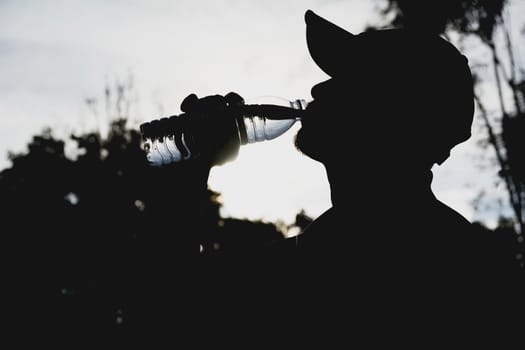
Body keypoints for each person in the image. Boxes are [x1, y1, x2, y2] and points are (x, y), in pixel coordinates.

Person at [149, 9, 525, 342]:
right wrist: (186, 179)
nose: (318, 87)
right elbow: (178, 313)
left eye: (349, 77)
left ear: (394, 113)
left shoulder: (463, 273)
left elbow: (174, 319)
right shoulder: (311, 255)